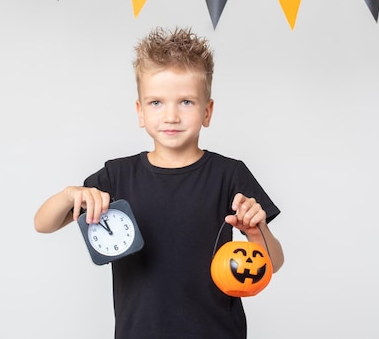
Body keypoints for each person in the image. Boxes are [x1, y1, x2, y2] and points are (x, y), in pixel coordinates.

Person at [34, 27, 284, 339]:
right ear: (140, 112)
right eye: (156, 103)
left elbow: (272, 264)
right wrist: (70, 194)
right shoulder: (116, 176)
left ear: (207, 112)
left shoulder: (229, 174)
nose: (171, 116)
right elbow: (43, 224)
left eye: (186, 102)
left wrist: (254, 231)